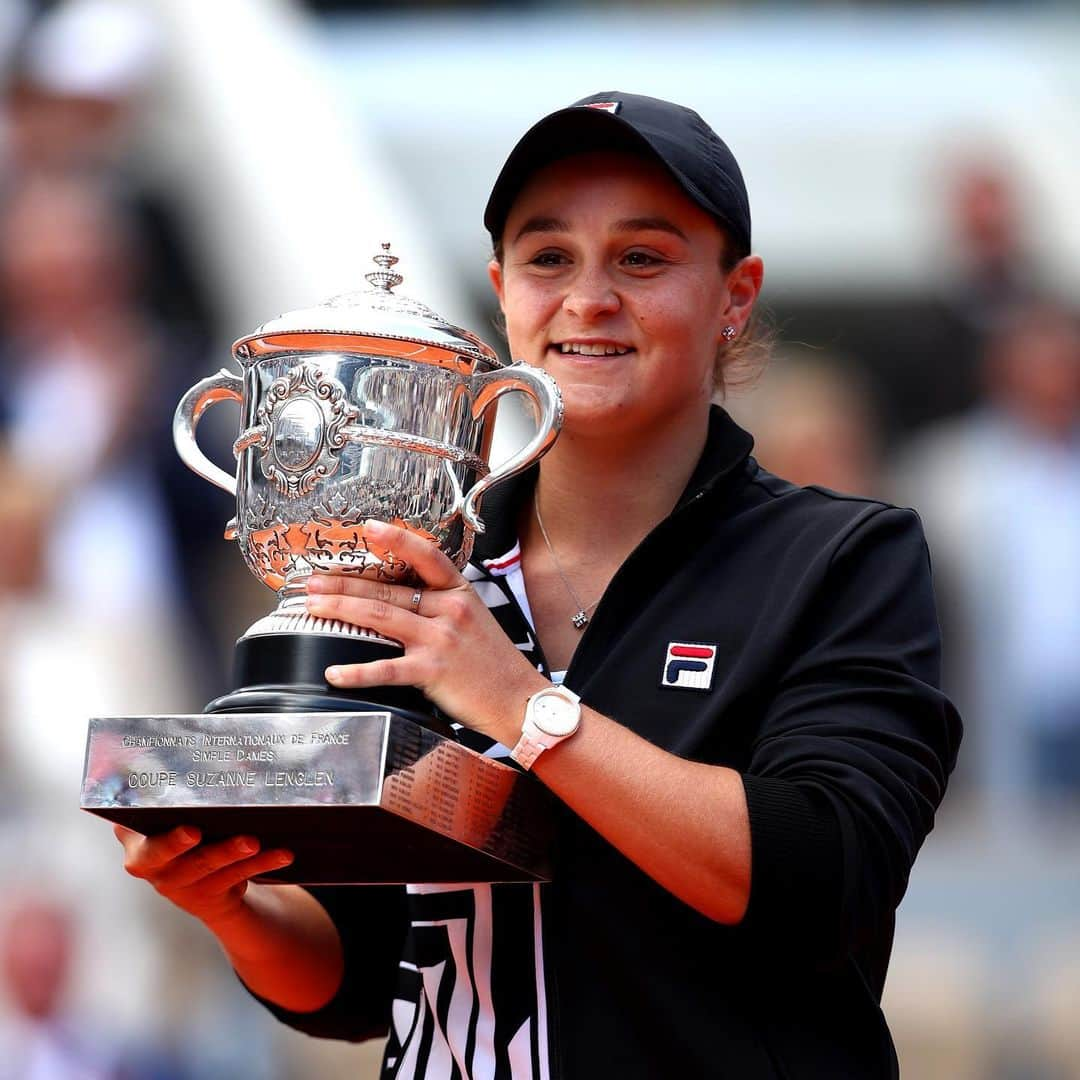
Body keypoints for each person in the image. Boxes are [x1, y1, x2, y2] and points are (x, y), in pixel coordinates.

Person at [114, 92, 961, 1078]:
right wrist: (235, 906)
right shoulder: (417, 578)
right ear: (502, 293)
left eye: (642, 258)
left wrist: (525, 709)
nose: (588, 298)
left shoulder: (842, 557)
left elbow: (824, 880)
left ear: (735, 296)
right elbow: (356, 983)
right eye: (548, 258)